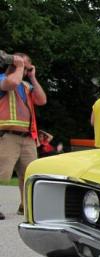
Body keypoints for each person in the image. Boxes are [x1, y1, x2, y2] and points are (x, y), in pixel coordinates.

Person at [0, 52, 47, 219]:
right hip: (6, 136)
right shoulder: (3, 79)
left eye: (28, 68)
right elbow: (12, 83)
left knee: (30, 174)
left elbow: (42, 100)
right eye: (24, 67)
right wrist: (19, 65)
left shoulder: (27, 86)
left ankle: (25, 207)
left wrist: (33, 78)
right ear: (13, 64)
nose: (26, 71)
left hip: (27, 138)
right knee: (2, 174)